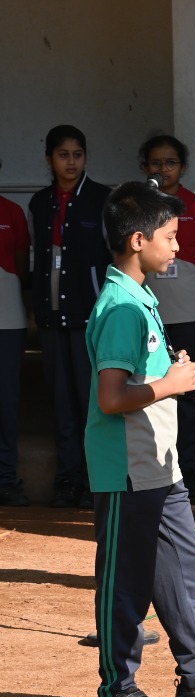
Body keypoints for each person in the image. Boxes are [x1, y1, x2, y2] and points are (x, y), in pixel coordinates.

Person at [85, 181, 195, 697]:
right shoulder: (122, 307)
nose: (177, 246)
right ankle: (116, 691)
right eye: (169, 237)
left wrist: (172, 375)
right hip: (126, 469)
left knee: (184, 572)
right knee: (125, 582)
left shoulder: (139, 297)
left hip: (158, 465)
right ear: (138, 240)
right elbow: (111, 397)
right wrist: (170, 384)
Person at [28, 125, 112, 508]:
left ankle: (95, 480)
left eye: (78, 154)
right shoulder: (39, 202)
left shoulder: (101, 199)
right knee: (61, 402)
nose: (71, 162)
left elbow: (113, 257)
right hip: (51, 315)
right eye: (63, 155)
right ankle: (67, 478)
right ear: (49, 159)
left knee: (90, 401)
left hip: (88, 315)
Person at [140, 134, 195, 489]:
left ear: (183, 167)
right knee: (154, 388)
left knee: (191, 392)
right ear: (145, 166)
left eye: (170, 162)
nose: (163, 168)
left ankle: (189, 467)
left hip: (193, 310)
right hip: (151, 310)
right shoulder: (140, 207)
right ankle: (158, 468)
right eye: (156, 162)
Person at [0, 154, 31, 506]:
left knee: (6, 401)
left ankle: (5, 478)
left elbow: (22, 268)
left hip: (8, 318)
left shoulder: (12, 212)